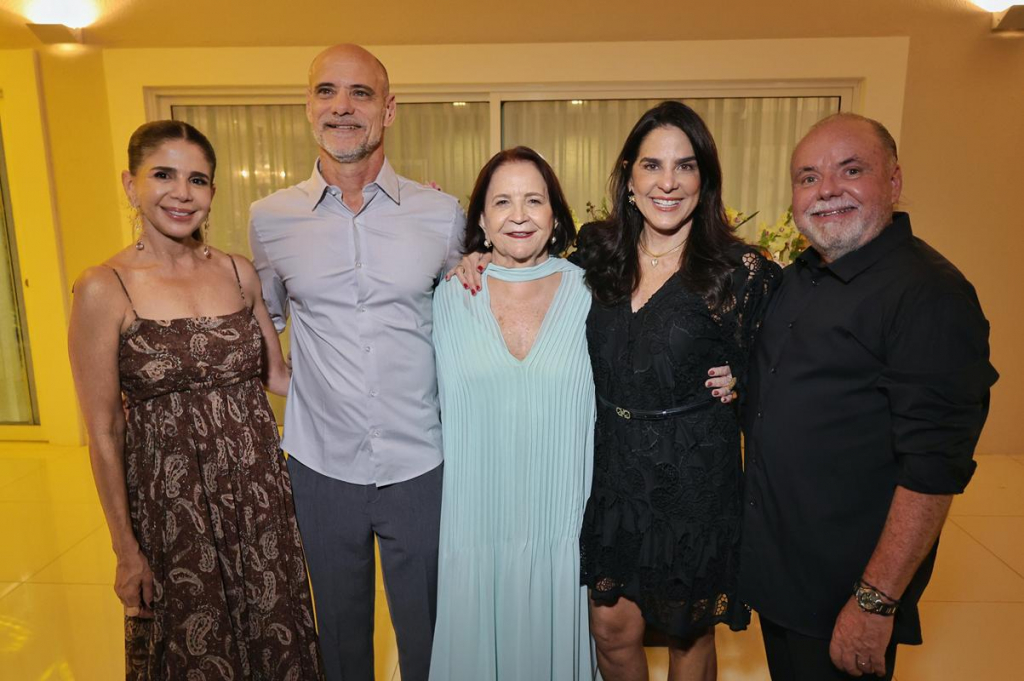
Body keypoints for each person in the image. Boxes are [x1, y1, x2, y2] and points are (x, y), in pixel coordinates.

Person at [739, 113, 998, 681]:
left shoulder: (929, 294)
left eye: (850, 170)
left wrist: (875, 601)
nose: (827, 189)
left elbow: (933, 468)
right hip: (782, 573)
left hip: (844, 593)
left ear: (895, 181)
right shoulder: (802, 277)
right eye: (808, 177)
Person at [67, 120, 324, 680]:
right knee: (192, 649)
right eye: (164, 174)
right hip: (172, 507)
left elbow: (279, 376)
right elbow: (105, 429)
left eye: (198, 180)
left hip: (259, 499)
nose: (182, 193)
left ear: (212, 192)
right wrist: (125, 549)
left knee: (276, 637)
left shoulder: (237, 272)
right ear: (130, 185)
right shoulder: (102, 286)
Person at [248, 44, 464, 681]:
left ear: (389, 109)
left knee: (431, 639)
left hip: (421, 463)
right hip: (321, 466)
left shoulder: (441, 214)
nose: (342, 107)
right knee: (340, 642)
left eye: (361, 93)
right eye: (326, 91)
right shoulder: (269, 219)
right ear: (308, 106)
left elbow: (469, 320)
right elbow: (262, 330)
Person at [576, 101, 778, 681]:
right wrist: (477, 259)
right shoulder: (597, 251)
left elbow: (786, 364)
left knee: (688, 632)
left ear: (705, 179)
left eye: (685, 166)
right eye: (652, 165)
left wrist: (746, 379)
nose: (668, 182)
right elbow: (531, 280)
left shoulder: (741, 271)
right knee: (612, 629)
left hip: (695, 475)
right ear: (629, 177)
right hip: (613, 467)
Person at [429, 147, 596, 680]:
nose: (518, 215)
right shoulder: (448, 297)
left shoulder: (595, 293)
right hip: (477, 527)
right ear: (480, 218)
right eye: (502, 201)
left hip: (564, 528)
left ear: (554, 216)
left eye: (533, 200)